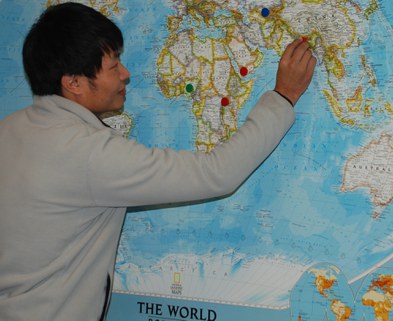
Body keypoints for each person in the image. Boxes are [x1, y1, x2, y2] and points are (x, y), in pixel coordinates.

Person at [0, 2, 316, 321]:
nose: (126, 74)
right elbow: (217, 173)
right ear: (74, 83)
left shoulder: (9, 131)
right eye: (113, 66)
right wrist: (283, 97)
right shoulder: (84, 153)